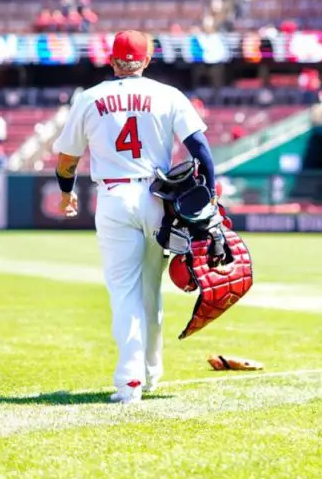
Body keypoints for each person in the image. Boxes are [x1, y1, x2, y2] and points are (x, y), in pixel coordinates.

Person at [51, 30, 214, 405]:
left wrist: (65, 194)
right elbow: (200, 149)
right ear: (147, 60)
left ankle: (130, 383)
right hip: (157, 198)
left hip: (113, 196)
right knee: (150, 290)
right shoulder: (168, 95)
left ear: (112, 60)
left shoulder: (89, 98)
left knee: (124, 291)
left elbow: (67, 160)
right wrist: (210, 195)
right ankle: (152, 373)